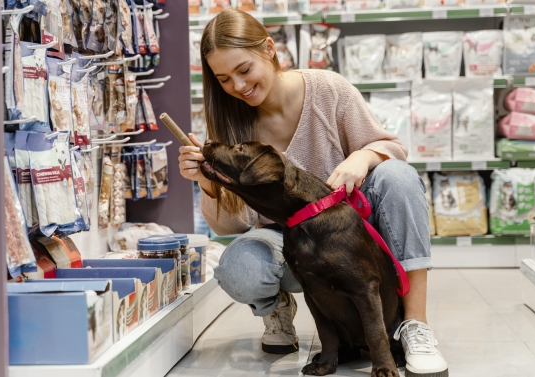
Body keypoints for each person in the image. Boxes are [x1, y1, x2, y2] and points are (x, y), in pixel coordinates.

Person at [178, 8, 448, 377]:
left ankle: (414, 324)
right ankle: (277, 308)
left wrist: (363, 156)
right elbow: (232, 226)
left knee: (397, 176)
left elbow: (394, 148)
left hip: (350, 233)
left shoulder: (328, 89)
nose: (238, 86)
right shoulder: (231, 122)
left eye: (244, 70)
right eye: (224, 79)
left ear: (269, 49)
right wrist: (208, 181)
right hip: (287, 239)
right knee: (240, 267)